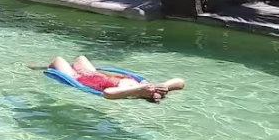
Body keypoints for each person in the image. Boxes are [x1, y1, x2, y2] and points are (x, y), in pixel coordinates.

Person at [47, 56, 186, 102]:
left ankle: (42, 67)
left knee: (58, 60)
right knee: (81, 58)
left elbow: (107, 93)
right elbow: (180, 82)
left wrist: (138, 90)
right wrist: (165, 86)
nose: (152, 89)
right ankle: (69, 65)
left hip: (80, 78)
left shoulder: (130, 91)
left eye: (151, 92)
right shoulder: (147, 87)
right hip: (93, 74)